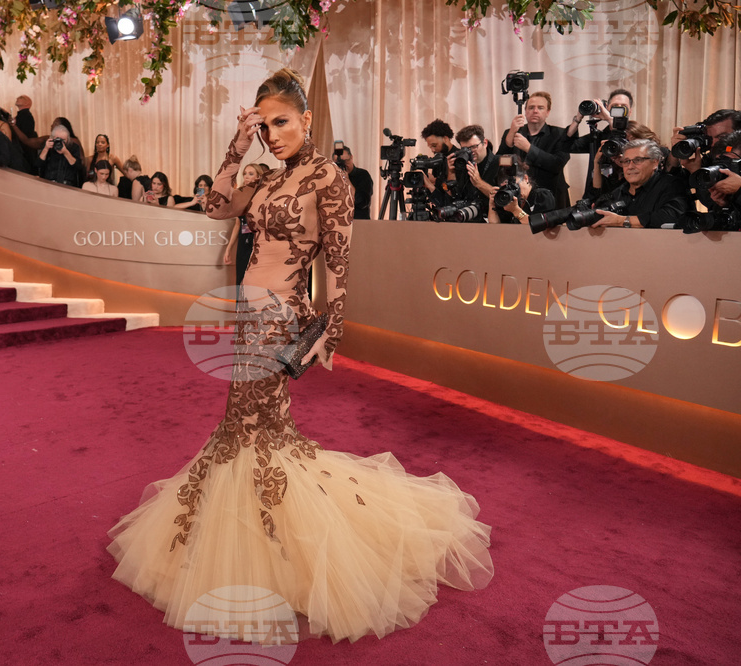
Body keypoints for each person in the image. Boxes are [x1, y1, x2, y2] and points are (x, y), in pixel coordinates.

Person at [107, 68, 493, 644]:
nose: (271, 134)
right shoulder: (263, 176)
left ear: (307, 119)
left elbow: (338, 263)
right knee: (255, 431)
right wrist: (237, 146)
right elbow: (215, 205)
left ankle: (274, 556)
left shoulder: (330, 181)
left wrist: (329, 333)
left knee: (252, 431)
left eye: (280, 122)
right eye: (263, 126)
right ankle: (263, 546)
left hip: (280, 317)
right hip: (248, 314)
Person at [591, 140, 690, 229]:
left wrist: (621, 221)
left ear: (655, 163)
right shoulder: (619, 191)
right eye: (626, 161)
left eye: (638, 160)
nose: (630, 167)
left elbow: (672, 215)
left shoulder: (672, 185)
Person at [498, 91, 572, 207]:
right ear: (525, 111)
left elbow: (557, 164)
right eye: (531, 107)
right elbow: (501, 161)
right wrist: (512, 132)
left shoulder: (561, 134)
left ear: (548, 112)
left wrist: (528, 148)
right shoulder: (512, 132)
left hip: (551, 198)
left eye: (540, 108)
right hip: (518, 198)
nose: (535, 111)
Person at [223, 163, 268, 284]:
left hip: (258, 242)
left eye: (251, 174)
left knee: (256, 281)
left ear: (258, 177)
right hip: (243, 243)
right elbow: (238, 224)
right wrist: (229, 248)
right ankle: (240, 303)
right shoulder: (239, 195)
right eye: (245, 174)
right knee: (241, 279)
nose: (246, 177)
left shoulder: (264, 195)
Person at [451, 125, 500, 219]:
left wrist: (479, 183)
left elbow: (505, 200)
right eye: (465, 149)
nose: (470, 152)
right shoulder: (463, 165)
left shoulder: (500, 163)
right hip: (469, 220)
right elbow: (456, 197)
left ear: (485, 143)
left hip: (495, 222)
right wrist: (451, 173)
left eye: (474, 147)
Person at [487, 168, 555, 225]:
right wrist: (492, 205)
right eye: (507, 188)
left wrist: (516, 210)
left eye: (514, 186)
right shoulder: (508, 202)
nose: (511, 191)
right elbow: (495, 229)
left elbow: (540, 226)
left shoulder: (542, 196)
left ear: (526, 178)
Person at [341, 147, 373, 219]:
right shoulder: (331, 178)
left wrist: (346, 180)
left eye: (346, 161)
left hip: (359, 224)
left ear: (351, 157)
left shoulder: (363, 175)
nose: (344, 165)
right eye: (340, 162)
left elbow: (362, 202)